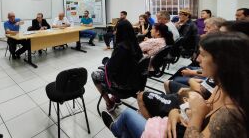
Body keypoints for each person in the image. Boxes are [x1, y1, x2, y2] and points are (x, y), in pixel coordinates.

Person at [101, 32, 249, 138]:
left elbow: (200, 112)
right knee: (127, 131)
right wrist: (175, 112)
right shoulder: (224, 87)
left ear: (223, 61)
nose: (197, 59)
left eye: (203, 55)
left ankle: (116, 128)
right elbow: (205, 107)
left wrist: (196, 114)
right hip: (182, 122)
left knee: (126, 115)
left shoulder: (231, 114)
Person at [92, 19, 143, 112]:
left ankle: (109, 102)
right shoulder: (135, 45)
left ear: (120, 32)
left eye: (116, 30)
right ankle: (115, 98)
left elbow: (110, 69)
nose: (115, 32)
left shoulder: (121, 48)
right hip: (136, 83)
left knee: (95, 75)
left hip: (122, 87)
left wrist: (106, 63)